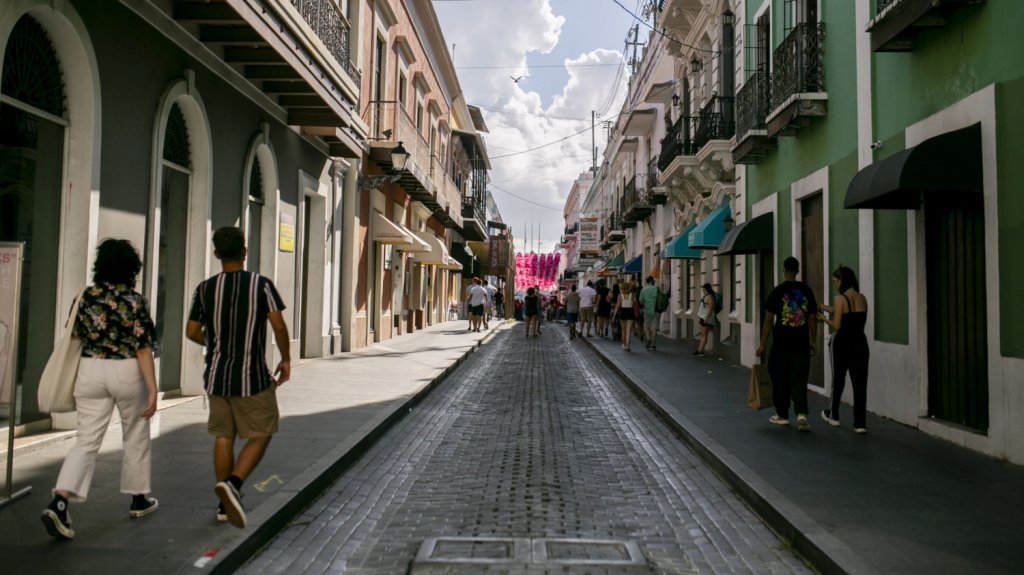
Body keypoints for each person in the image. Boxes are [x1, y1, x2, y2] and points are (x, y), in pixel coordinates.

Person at [42, 239, 159, 540]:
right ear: (132, 268)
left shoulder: (84, 297)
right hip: (127, 370)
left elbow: (74, 335)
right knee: (136, 433)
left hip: (90, 370)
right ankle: (138, 499)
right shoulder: (135, 301)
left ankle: (60, 502)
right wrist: (152, 388)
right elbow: (143, 348)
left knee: (86, 440)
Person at [186, 227, 291, 529]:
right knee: (262, 432)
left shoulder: (205, 289)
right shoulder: (261, 285)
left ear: (216, 253)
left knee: (224, 436)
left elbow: (191, 331)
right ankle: (233, 484)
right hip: (252, 377)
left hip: (217, 376)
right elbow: (278, 325)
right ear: (244, 252)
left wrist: (214, 344)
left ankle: (224, 505)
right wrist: (285, 359)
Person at [757, 257, 818, 432]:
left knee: (779, 377)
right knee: (799, 378)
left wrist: (762, 344)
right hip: (801, 342)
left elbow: (768, 320)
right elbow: (812, 318)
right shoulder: (806, 291)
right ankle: (801, 413)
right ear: (797, 271)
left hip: (781, 343)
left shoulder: (777, 291)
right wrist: (813, 341)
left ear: (784, 270)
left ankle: (782, 415)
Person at [817, 265, 870, 434]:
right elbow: (848, 315)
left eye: (836, 281)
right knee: (860, 384)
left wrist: (823, 319)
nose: (835, 284)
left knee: (838, 380)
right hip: (860, 344)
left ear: (842, 280)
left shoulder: (840, 298)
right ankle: (860, 424)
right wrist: (823, 306)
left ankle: (834, 415)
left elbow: (837, 325)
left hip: (842, 344)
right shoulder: (862, 298)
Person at [694, 283, 719, 356]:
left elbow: (710, 308)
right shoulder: (705, 296)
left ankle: (700, 351)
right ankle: (700, 350)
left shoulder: (709, 297)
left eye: (703, 288)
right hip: (703, 317)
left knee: (704, 334)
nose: (702, 289)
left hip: (706, 318)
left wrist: (707, 318)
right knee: (702, 334)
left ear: (706, 288)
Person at [639, 276, 661, 350]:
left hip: (647, 310)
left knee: (646, 326)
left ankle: (648, 338)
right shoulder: (656, 289)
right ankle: (653, 344)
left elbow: (641, 301)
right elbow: (659, 299)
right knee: (654, 327)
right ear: (652, 281)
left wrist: (645, 304)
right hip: (655, 310)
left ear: (646, 281)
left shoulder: (643, 290)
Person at [614, 282, 637, 351]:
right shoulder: (632, 295)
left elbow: (617, 306)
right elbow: (635, 303)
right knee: (628, 330)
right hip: (630, 312)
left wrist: (614, 316)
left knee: (623, 330)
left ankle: (624, 344)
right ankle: (627, 346)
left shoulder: (620, 296)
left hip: (623, 312)